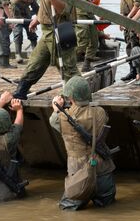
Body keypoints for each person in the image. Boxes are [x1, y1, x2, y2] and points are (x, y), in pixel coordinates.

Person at [13, 0, 79, 100]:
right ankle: (21, 92)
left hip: (62, 30)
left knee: (68, 67)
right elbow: (45, 6)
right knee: (36, 61)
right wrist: (37, 18)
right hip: (47, 31)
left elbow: (63, 9)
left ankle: (78, 96)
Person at [50, 76, 117, 210]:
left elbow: (53, 121)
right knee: (108, 210)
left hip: (79, 174)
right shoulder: (100, 112)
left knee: (67, 211)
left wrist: (56, 108)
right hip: (103, 170)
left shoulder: (62, 117)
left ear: (71, 98)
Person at [111, 0, 140, 81]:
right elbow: (123, 7)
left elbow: (137, 4)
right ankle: (132, 70)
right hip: (127, 21)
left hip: (135, 20)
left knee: (136, 46)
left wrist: (129, 18)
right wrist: (122, 21)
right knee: (129, 46)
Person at [75, 0, 109, 72]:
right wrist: (99, 12)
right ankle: (71, 61)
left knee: (94, 38)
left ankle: (86, 64)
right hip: (81, 12)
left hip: (89, 13)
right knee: (83, 38)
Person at [10, 0, 39, 64]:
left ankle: (35, 54)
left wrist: (37, 20)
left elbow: (37, 10)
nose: (31, 1)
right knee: (18, 34)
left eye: (32, 0)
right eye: (30, 0)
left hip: (27, 16)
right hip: (16, 18)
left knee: (32, 33)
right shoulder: (15, 1)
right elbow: (16, 15)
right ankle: (18, 54)